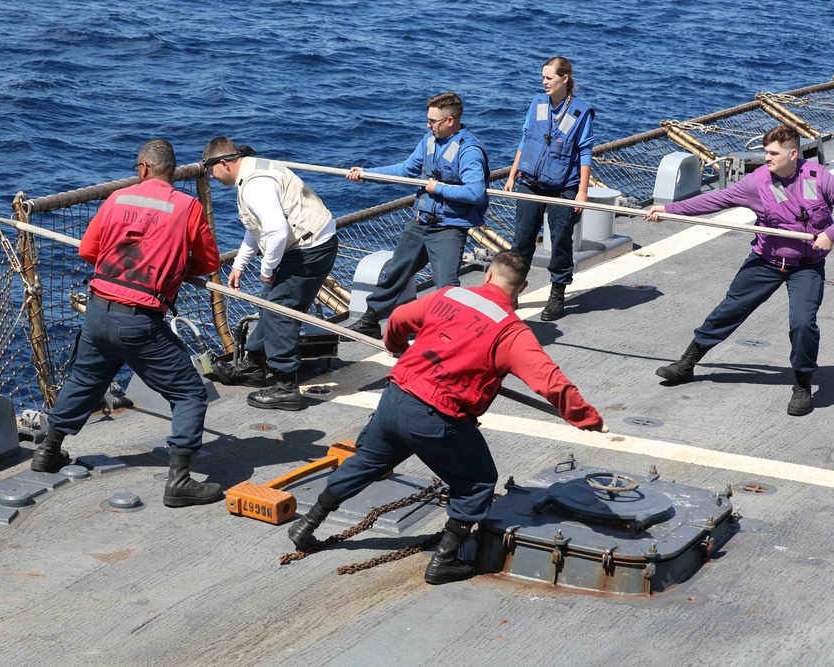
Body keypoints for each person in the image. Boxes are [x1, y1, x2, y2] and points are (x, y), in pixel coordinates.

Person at [287, 250, 605, 585]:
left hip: (395, 399)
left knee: (367, 461)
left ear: (487, 275)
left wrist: (396, 345)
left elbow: (397, 320)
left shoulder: (447, 295)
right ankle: (445, 560)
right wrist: (586, 418)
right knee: (478, 481)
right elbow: (549, 380)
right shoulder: (511, 333)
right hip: (436, 418)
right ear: (522, 287)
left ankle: (307, 523)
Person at [29, 139, 224, 507]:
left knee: (85, 380)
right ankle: (179, 481)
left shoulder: (117, 199)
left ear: (143, 168)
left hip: (99, 310)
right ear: (171, 170)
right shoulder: (188, 206)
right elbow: (208, 262)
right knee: (189, 393)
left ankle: (47, 452)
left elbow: (89, 251)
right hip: (140, 320)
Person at [647, 124, 834, 416]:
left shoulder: (818, 177)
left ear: (793, 154)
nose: (766, 158)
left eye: (773, 153)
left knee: (802, 323)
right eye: (765, 152)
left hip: (806, 266)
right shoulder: (756, 183)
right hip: (767, 262)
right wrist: (669, 210)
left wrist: (830, 233)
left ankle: (802, 384)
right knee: (729, 310)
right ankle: (687, 363)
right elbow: (714, 200)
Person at [203, 138, 339, 411]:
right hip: (315, 241)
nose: (209, 176)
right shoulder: (254, 168)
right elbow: (259, 225)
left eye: (210, 170)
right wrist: (240, 263)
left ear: (224, 163)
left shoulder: (254, 186)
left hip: (307, 250)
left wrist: (267, 269)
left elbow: (276, 230)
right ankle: (254, 364)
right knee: (270, 302)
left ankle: (286, 386)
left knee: (279, 311)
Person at [344, 91, 490, 339]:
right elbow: (406, 169)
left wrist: (437, 188)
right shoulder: (429, 140)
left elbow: (475, 193)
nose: (428, 125)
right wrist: (367, 174)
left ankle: (453, 334)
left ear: (450, 121)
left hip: (449, 227)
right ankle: (371, 318)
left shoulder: (470, 151)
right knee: (396, 272)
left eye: (433, 121)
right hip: (421, 221)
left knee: (446, 284)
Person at [505, 56, 595, 321]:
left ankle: (557, 292)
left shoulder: (581, 111)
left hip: (563, 187)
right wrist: (512, 176)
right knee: (521, 240)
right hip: (529, 183)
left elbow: (585, 152)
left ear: (564, 79)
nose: (544, 82)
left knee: (560, 241)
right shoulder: (537, 103)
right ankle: (512, 292)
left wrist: (582, 191)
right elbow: (525, 139)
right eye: (543, 77)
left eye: (549, 78)